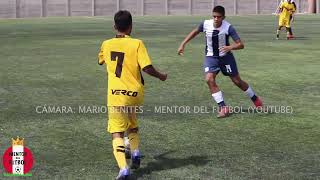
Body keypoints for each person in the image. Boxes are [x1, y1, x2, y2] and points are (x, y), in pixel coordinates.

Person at [98, 10, 167, 179]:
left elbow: (101, 61)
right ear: (131, 27)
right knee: (132, 124)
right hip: (135, 93)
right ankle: (135, 152)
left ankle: (123, 168)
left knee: (117, 132)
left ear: (114, 26)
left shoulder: (106, 44)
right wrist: (161, 75)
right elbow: (146, 67)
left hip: (116, 95)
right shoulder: (137, 43)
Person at [177, 6, 263, 118]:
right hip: (211, 58)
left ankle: (256, 100)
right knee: (209, 79)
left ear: (223, 17)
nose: (216, 19)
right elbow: (195, 31)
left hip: (226, 58)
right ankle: (223, 107)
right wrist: (183, 44)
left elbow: (240, 44)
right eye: (214, 16)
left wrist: (230, 47)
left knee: (237, 82)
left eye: (218, 17)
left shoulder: (228, 27)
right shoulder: (205, 24)